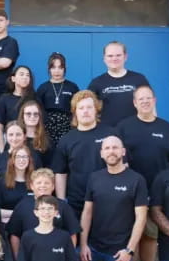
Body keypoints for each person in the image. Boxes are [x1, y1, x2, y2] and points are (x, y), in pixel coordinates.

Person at [116, 84, 169, 261]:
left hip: (157, 190)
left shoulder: (165, 128)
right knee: (132, 231)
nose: (144, 102)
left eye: (148, 98)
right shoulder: (124, 127)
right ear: (134, 103)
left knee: (151, 233)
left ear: (154, 101)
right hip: (131, 189)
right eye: (140, 99)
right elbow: (116, 156)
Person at [52, 90, 116, 218]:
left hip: (108, 199)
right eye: (81, 108)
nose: (85, 111)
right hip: (77, 202)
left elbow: (123, 165)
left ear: (96, 110)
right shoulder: (66, 140)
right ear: (75, 111)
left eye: (89, 107)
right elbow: (60, 173)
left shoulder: (110, 133)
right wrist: (61, 202)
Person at [87, 41, 150, 127]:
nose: (114, 58)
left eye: (118, 55)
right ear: (104, 59)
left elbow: (150, 105)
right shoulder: (96, 83)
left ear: (125, 57)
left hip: (137, 131)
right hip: (107, 134)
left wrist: (152, 127)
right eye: (110, 56)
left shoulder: (139, 79)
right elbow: (89, 109)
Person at [36, 52, 79, 145]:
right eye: (53, 67)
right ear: (49, 69)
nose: (57, 71)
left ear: (65, 68)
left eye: (60, 67)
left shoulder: (72, 87)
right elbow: (38, 109)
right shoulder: (43, 88)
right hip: (47, 127)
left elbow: (77, 109)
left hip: (68, 127)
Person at [0, 65, 35, 152]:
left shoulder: (34, 98)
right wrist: (2, 151)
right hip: (11, 142)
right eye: (21, 74)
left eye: (28, 75)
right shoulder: (5, 98)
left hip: (30, 144)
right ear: (13, 78)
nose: (25, 77)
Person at [0, 145, 34, 223]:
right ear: (12, 160)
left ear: (29, 159)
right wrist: (17, 214)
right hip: (7, 225)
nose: (21, 160)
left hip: (30, 224)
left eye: (25, 157)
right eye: (18, 157)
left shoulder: (34, 181)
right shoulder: (2, 182)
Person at [17, 99, 52, 166]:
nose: (32, 117)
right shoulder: (15, 138)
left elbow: (50, 168)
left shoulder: (47, 140)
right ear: (22, 116)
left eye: (36, 114)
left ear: (39, 117)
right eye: (28, 114)